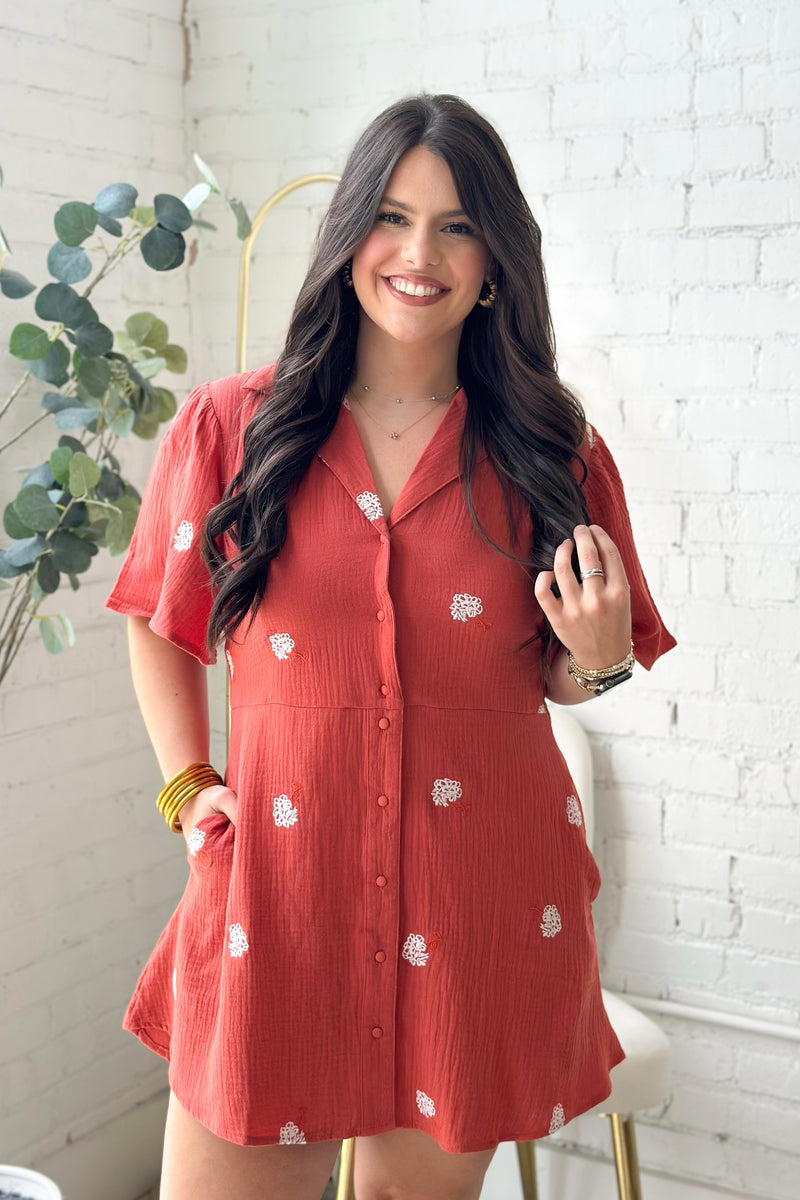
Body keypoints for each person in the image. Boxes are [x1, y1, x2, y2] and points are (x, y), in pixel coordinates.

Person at [105, 92, 676, 1200]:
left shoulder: (554, 452)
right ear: (349, 234)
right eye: (393, 216)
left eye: (457, 226)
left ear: (496, 258)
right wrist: (188, 785)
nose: (420, 254)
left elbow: (566, 670)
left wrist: (597, 655)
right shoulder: (231, 430)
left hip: (478, 907)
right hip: (273, 903)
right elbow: (154, 616)